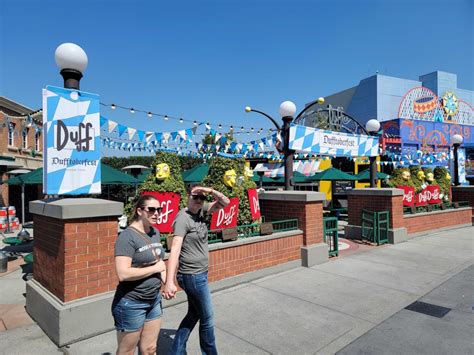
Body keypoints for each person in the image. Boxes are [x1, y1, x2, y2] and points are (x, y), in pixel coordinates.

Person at [164, 186, 230, 355]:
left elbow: (225, 202)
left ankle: (176, 351)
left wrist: (209, 190)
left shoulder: (201, 211)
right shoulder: (183, 219)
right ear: (188, 196)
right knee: (207, 318)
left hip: (200, 274)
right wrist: (169, 281)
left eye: (201, 198)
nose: (198, 201)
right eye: (195, 197)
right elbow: (175, 250)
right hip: (191, 276)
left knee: (193, 314)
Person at [111, 195, 167, 355]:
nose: (157, 213)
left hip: (154, 300)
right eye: (151, 209)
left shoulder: (154, 232)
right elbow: (123, 273)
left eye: (159, 209)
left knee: (150, 349)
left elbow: (158, 261)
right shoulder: (127, 237)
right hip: (131, 303)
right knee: (126, 352)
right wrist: (156, 269)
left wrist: (166, 282)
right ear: (139, 211)